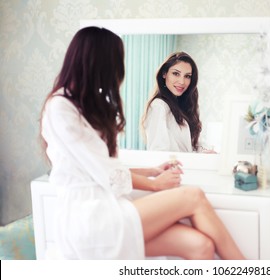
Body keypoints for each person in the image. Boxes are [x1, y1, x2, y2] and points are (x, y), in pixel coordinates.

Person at [39, 26, 245, 260]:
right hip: (89, 217)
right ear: (95, 62)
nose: (118, 71)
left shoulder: (88, 107)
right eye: (116, 62)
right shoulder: (60, 107)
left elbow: (99, 167)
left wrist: (151, 171)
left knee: (199, 245)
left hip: (111, 206)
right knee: (193, 196)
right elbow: (106, 173)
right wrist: (156, 184)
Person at [142, 51, 213, 153]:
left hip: (189, 167)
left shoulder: (186, 106)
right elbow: (158, 151)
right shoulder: (159, 106)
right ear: (164, 74)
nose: (182, 82)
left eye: (187, 76)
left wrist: (205, 152)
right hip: (173, 168)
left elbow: (193, 144)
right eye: (176, 74)